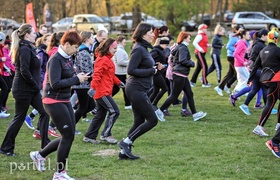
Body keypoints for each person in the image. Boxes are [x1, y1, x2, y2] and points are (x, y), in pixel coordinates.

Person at [30, 30, 89, 179]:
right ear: (67, 44)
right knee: (68, 136)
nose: (77, 50)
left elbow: (67, 76)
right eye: (75, 47)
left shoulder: (68, 57)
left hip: (63, 99)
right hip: (52, 100)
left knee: (68, 135)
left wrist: (79, 76)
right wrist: (77, 79)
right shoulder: (55, 59)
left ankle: (40, 155)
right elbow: (55, 84)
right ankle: (59, 173)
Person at [0, 24, 50, 156]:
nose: (35, 34)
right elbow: (24, 70)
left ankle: (45, 143)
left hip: (30, 89)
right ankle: (6, 147)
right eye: (33, 32)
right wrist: (35, 85)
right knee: (19, 118)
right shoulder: (24, 49)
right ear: (27, 34)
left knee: (44, 112)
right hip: (23, 89)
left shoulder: (29, 48)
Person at [117, 23, 164, 160]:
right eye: (150, 32)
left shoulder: (143, 48)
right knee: (152, 120)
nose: (152, 34)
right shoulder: (138, 49)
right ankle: (125, 142)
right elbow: (130, 70)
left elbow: (141, 66)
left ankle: (123, 152)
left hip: (138, 88)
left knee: (139, 121)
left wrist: (154, 68)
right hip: (136, 89)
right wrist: (151, 70)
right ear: (143, 34)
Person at [159, 31, 207, 121]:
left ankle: (195, 114)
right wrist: (192, 63)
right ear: (184, 38)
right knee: (174, 96)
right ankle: (159, 111)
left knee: (189, 94)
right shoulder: (183, 48)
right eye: (189, 38)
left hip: (181, 74)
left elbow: (173, 59)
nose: (190, 40)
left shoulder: (178, 47)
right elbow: (182, 60)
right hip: (180, 74)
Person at [83, 38, 123, 144]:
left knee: (100, 115)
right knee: (115, 111)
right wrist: (93, 88)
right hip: (102, 92)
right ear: (109, 48)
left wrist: (119, 82)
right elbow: (97, 75)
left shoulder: (108, 59)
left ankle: (89, 136)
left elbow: (110, 75)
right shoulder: (102, 59)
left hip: (105, 91)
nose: (116, 50)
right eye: (114, 48)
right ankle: (106, 134)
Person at [249, 28, 280, 137]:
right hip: (276, 80)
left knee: (271, 102)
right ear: (276, 39)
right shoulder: (278, 51)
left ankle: (278, 125)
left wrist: (250, 79)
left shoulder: (263, 51)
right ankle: (259, 127)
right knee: (270, 104)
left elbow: (255, 66)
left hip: (266, 79)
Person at [72, 31, 96, 129]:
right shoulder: (83, 52)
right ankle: (70, 126)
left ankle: (71, 116)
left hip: (85, 84)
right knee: (83, 107)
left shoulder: (85, 51)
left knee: (90, 106)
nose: (93, 39)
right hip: (82, 83)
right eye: (92, 37)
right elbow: (85, 69)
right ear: (87, 39)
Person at [216, 26, 241, 95]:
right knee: (237, 74)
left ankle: (223, 87)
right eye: (240, 29)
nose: (241, 31)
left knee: (230, 73)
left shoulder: (238, 37)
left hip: (234, 57)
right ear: (236, 30)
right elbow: (228, 46)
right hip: (231, 57)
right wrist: (237, 51)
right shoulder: (233, 37)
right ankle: (225, 86)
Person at [112, 35, 132, 110]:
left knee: (123, 88)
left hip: (121, 72)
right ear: (120, 42)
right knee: (118, 89)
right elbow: (120, 62)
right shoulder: (120, 50)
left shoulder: (119, 50)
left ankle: (128, 104)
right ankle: (128, 104)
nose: (125, 43)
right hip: (119, 73)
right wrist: (130, 62)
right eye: (124, 42)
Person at [149, 37, 169, 109]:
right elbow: (149, 59)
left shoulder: (160, 50)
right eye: (166, 45)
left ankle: (148, 105)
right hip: (156, 73)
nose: (167, 47)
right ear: (162, 44)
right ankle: (154, 104)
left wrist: (164, 65)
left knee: (156, 90)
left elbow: (163, 61)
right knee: (165, 88)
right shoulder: (156, 51)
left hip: (159, 72)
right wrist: (156, 65)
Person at [208, 24, 226, 93]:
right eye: (222, 32)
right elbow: (213, 45)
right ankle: (219, 81)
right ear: (219, 31)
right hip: (214, 53)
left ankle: (202, 77)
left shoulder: (219, 37)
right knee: (218, 68)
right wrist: (220, 46)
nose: (223, 33)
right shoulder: (215, 37)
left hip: (217, 53)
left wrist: (221, 45)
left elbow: (217, 44)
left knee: (213, 67)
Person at [232, 29, 251, 95]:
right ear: (243, 36)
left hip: (239, 65)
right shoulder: (241, 43)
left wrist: (247, 61)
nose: (249, 36)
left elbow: (242, 54)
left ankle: (234, 94)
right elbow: (235, 54)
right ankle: (237, 91)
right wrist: (243, 62)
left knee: (241, 81)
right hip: (240, 65)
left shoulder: (243, 43)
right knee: (248, 79)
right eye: (248, 34)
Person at [0, 32, 11, 118]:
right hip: (1, 72)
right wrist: (0, 59)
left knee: (6, 88)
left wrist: (7, 69)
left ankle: (1, 108)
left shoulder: (1, 48)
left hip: (1, 71)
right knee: (5, 88)